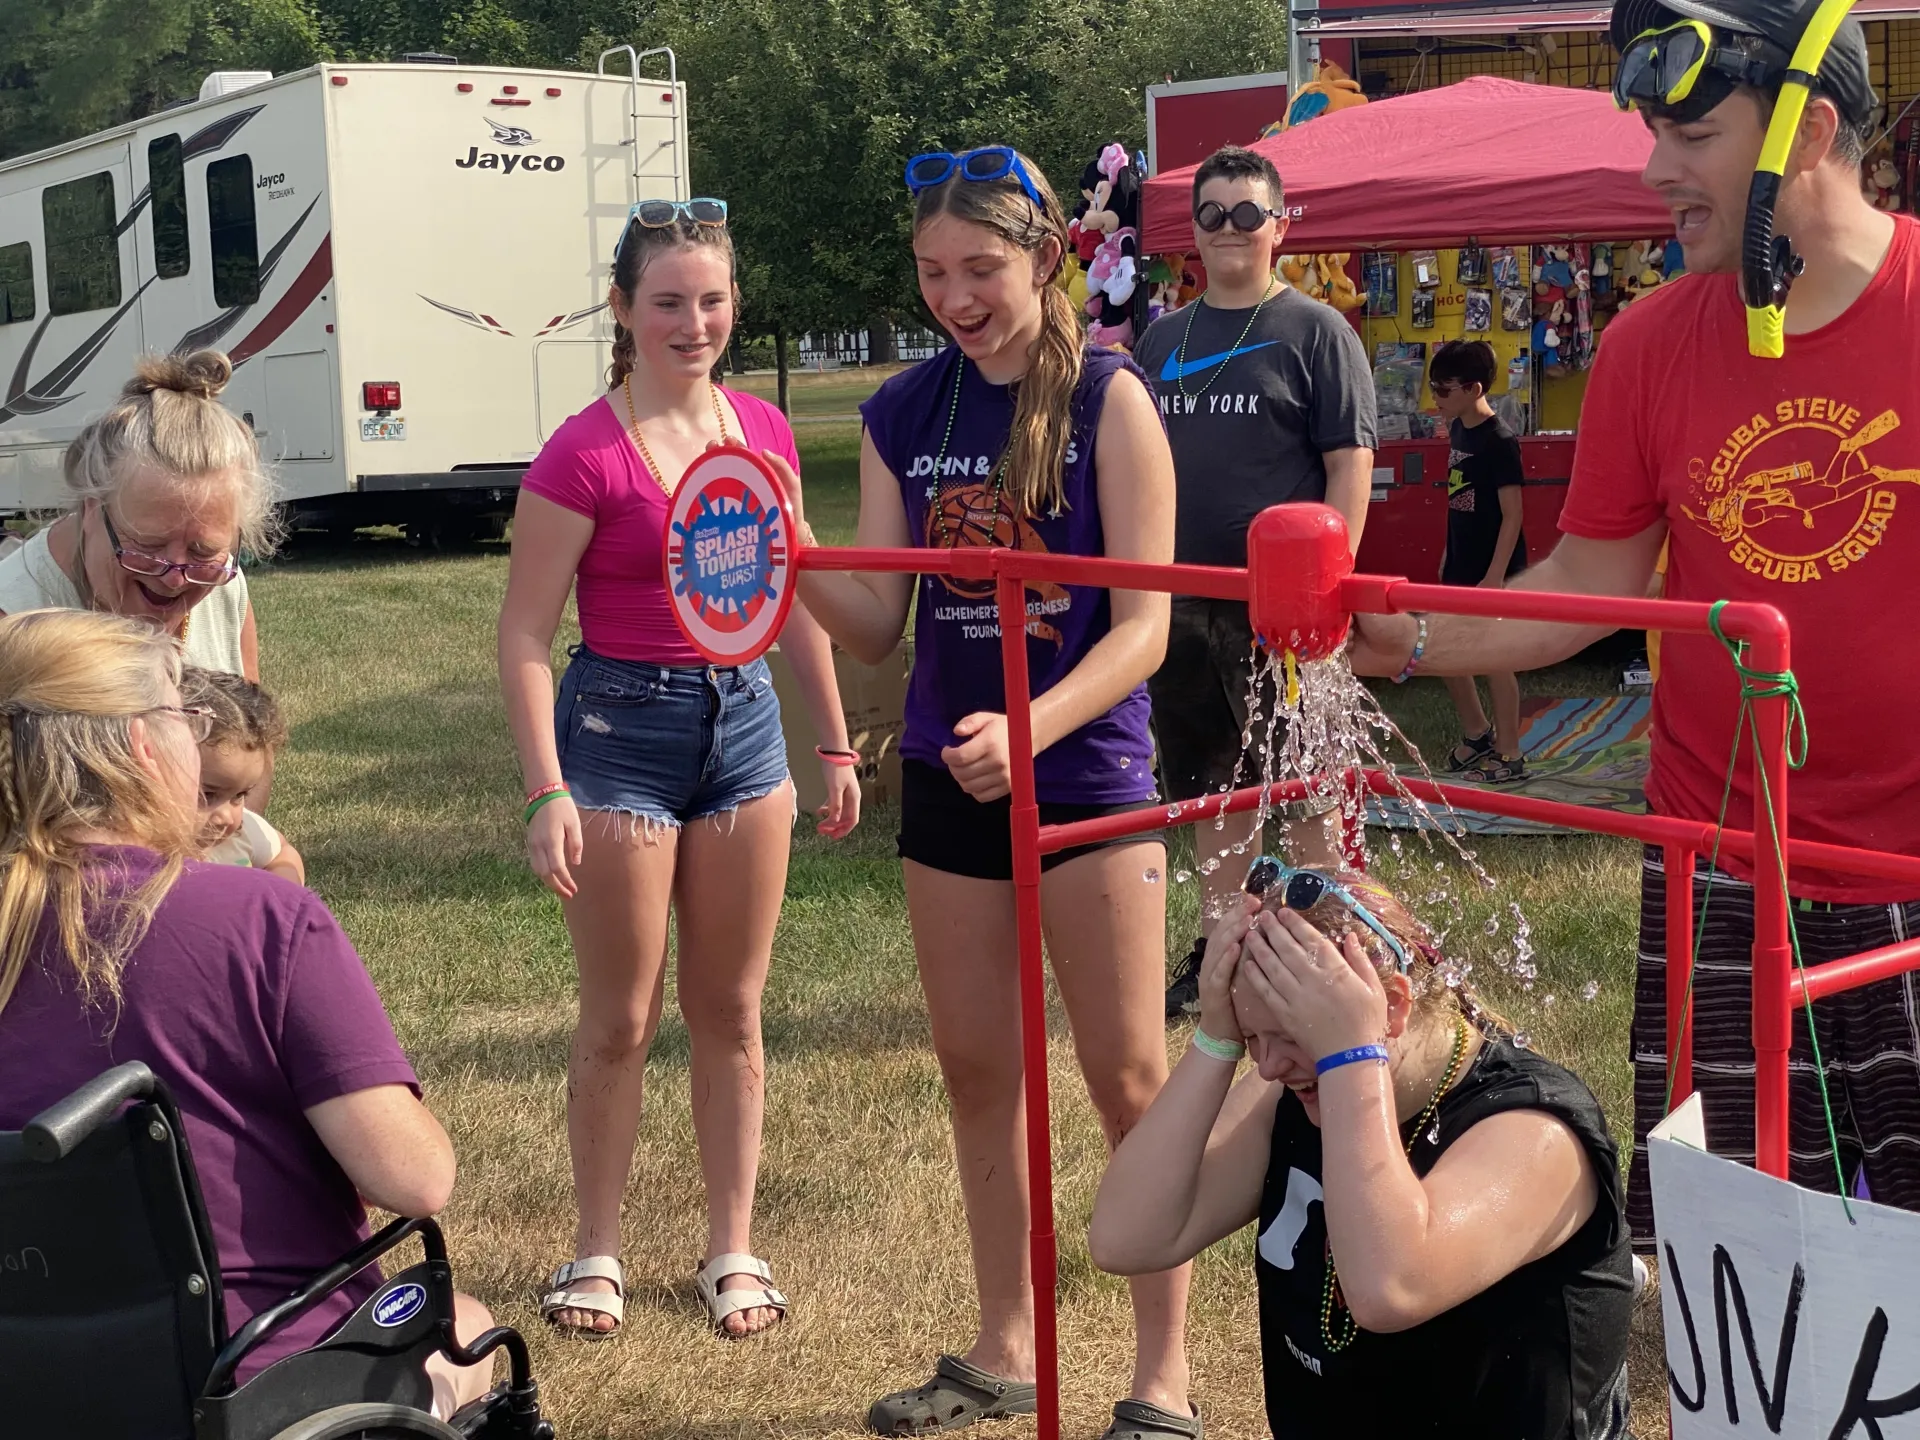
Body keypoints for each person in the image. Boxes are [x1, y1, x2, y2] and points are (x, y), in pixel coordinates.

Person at [1348, 0, 1920, 1246]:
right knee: (1748, 1264)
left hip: (1906, 879)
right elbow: (1584, 580)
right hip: (1717, 868)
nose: (1656, 168)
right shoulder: (1651, 343)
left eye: (1692, 133)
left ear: (1811, 130)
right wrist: (1409, 636)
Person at [783, 144, 1189, 1440]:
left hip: (1087, 780)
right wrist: (784, 554)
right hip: (949, 784)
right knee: (976, 1073)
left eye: (980, 269)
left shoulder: (1112, 401)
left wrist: (1034, 724)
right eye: (932, 271)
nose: (954, 295)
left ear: (1043, 259)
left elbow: (1146, 628)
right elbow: (877, 619)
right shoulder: (903, 410)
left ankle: (1162, 1374)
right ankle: (1006, 1343)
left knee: (1129, 1075)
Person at [497, 197, 861, 1341]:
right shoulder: (582, 454)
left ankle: (731, 1248)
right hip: (619, 735)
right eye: (667, 302)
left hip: (746, 733)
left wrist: (835, 738)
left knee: (734, 1006)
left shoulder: (761, 431)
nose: (693, 321)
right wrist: (547, 789)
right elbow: (520, 634)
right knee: (621, 1016)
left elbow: (785, 587)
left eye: (711, 300)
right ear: (622, 309)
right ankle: (594, 1250)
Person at [0, 609, 492, 1415]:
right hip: (256, 1384)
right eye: (186, 719)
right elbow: (416, 1179)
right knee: (465, 1327)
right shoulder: (262, 919)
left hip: (26, 1392)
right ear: (140, 744)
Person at [1089, 862, 1633, 1437]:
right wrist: (1216, 1040)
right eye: (1253, 1038)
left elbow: (1387, 1287)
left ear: (1390, 1009)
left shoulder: (1536, 1132)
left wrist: (1349, 1057)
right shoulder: (1289, 1090)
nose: (1268, 1066)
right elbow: (1127, 1234)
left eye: (1293, 1038)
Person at [1130, 146, 1378, 1019]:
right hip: (1179, 604)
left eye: (1247, 213)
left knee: (1304, 784)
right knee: (1210, 791)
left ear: (1280, 225)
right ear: (1191, 230)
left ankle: (1321, 955)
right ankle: (1224, 954)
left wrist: (1325, 597)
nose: (1230, 229)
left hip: (1284, 613)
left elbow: (1350, 464)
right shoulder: (1161, 339)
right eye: (1212, 214)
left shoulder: (1317, 331)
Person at [0, 351, 267, 679]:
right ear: (90, 507)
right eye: (149, 544)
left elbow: (254, 727)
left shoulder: (223, 582)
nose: (175, 578)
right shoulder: (13, 624)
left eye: (203, 550)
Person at [1429, 340, 1527, 784]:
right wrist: (1448, 552)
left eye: (1442, 389)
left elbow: (1514, 516)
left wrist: (1495, 576)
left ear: (1473, 389)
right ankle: (1478, 733)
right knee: (1445, 651)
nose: (1435, 397)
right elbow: (1456, 499)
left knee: (1494, 658)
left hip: (1494, 568)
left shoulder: (1500, 441)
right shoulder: (1457, 429)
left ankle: (1510, 754)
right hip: (1461, 562)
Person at [180, 666, 305, 883]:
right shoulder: (138, 851)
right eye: (208, 794)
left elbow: (282, 853)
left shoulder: (243, 834)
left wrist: (280, 894)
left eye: (239, 795)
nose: (227, 817)